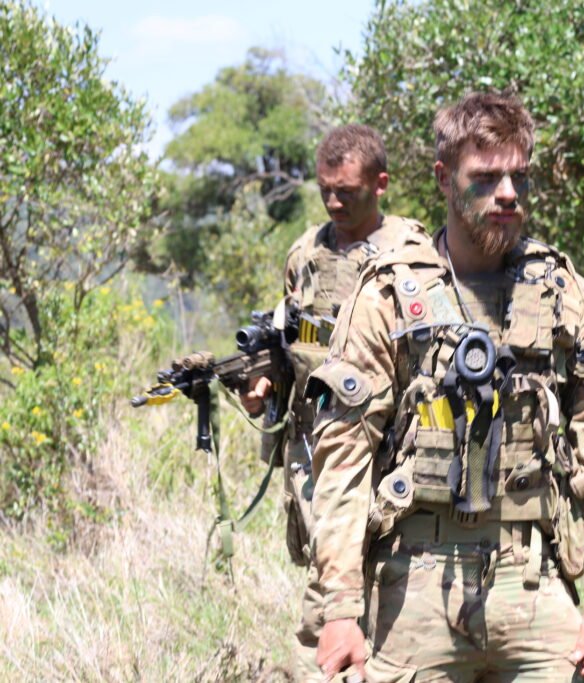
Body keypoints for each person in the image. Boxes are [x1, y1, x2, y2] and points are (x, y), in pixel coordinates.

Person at [305, 92, 584, 682]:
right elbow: (342, 460)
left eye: (520, 177)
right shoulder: (388, 295)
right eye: (486, 178)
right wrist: (339, 609)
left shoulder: (564, 294)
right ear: (443, 178)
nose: (508, 193)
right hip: (414, 584)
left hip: (533, 579)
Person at [238, 123, 427, 680]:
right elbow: (293, 337)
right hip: (318, 453)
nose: (335, 201)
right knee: (328, 582)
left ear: (382, 184)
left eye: (349, 190)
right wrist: (263, 382)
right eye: (326, 190)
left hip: (393, 451)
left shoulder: (412, 253)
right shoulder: (306, 255)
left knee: (393, 592)